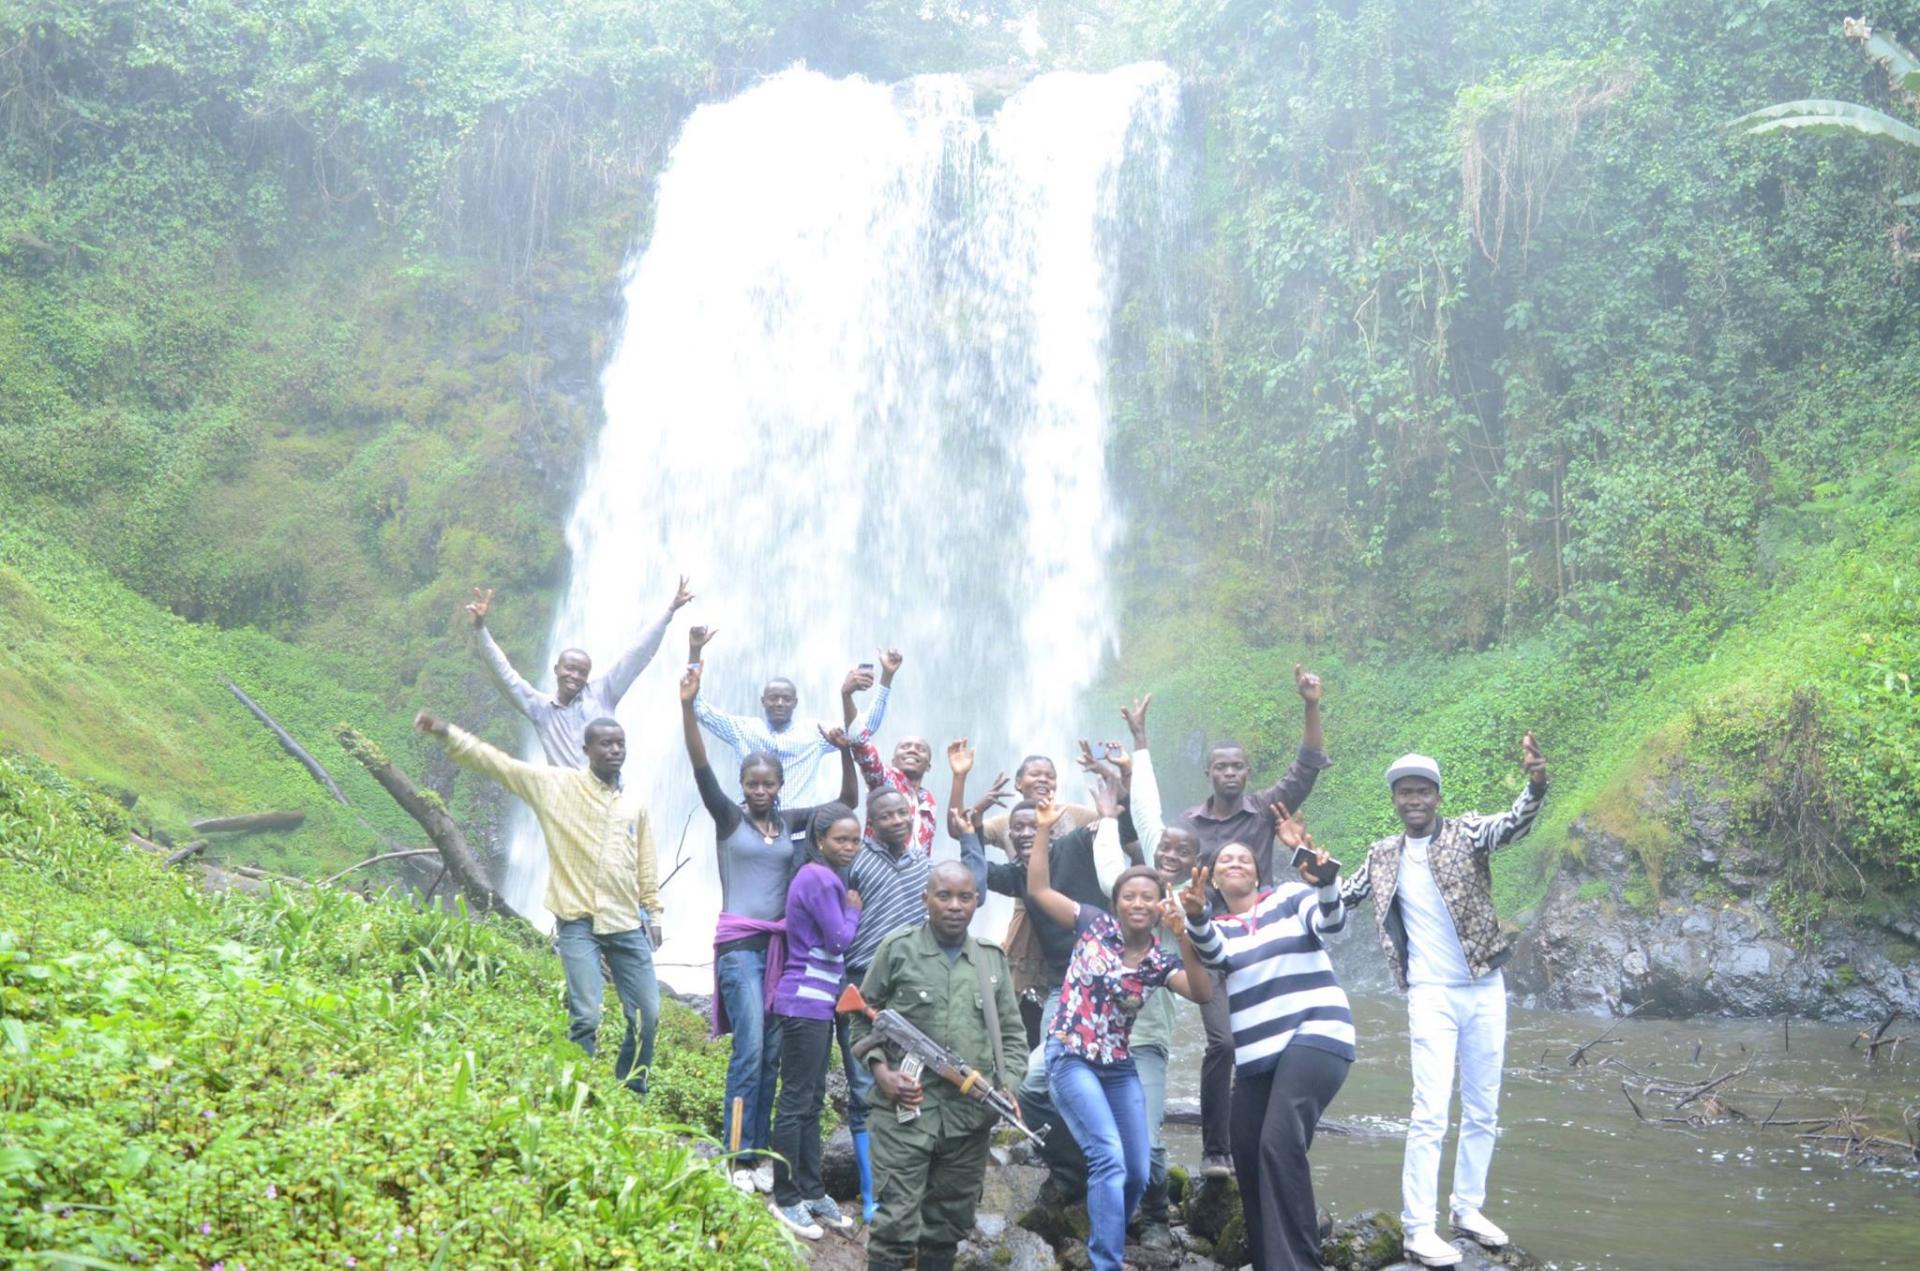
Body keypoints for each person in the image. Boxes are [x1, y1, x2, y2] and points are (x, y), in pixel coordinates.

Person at [1341, 736, 1549, 1268]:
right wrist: (1315, 874)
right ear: (1395, 800)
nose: (1414, 800)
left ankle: (1467, 1208)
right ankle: (1417, 1228)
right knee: (1429, 1110)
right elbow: (1340, 901)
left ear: (1437, 796)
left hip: (1484, 986)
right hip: (1429, 992)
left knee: (1483, 1105)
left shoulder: (1468, 832)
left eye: (1423, 792)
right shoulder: (1382, 855)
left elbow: (1514, 824)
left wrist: (1536, 784)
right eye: (1404, 793)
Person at [414, 709, 661, 1093]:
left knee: (648, 1016)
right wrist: (447, 732)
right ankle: (579, 1094)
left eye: (620, 744)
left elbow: (646, 862)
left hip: (628, 922)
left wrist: (655, 913)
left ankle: (631, 1092)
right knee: (585, 1017)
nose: (615, 750)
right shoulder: (556, 787)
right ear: (586, 749)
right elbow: (502, 766)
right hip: (578, 922)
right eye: (605, 744)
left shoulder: (635, 804)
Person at [680, 663, 856, 1195]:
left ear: (779, 786)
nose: (760, 789)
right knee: (751, 1048)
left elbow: (844, 804)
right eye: (752, 782)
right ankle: (737, 1156)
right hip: (741, 950)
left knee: (774, 1056)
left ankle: (760, 1157)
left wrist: (845, 750)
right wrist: (688, 706)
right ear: (743, 784)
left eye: (768, 783)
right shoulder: (727, 819)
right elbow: (699, 765)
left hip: (782, 952)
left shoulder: (790, 826)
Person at [1026, 793, 1209, 1271]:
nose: (1138, 903)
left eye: (1148, 897)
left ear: (1158, 906)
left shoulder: (1159, 959)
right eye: (1130, 895)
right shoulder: (1092, 926)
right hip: (1071, 1056)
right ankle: (1106, 1260)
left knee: (1139, 1169)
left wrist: (1185, 931)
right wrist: (1044, 828)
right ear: (1116, 902)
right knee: (1107, 1155)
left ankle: (1104, 1224)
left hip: (1118, 1066)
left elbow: (1201, 991)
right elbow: (1040, 891)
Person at [1180, 663, 1331, 1177]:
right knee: (1223, 1041)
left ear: (1247, 773)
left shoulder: (1265, 809)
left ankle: (1269, 1143)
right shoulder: (1188, 825)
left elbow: (1307, 766)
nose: (1230, 773)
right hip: (1210, 943)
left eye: (1238, 767)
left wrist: (1311, 703)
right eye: (1221, 766)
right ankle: (1215, 1149)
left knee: (1273, 1044)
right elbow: (1161, 861)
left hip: (1262, 939)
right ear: (1209, 773)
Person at [1183, 813, 1353, 1271]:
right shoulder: (1219, 925)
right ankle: (1267, 1261)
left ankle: (1299, 1264)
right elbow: (1211, 953)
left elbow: (1331, 923)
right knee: (1248, 1148)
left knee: (1279, 1143)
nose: (1234, 862)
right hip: (1259, 1059)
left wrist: (1325, 884)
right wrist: (1195, 915)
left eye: (1244, 858)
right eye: (1224, 860)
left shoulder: (1288, 897)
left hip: (1316, 1034)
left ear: (1258, 871)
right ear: (1213, 877)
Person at [854, 861, 1026, 1271]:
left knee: (947, 1227)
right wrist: (883, 1073)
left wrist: (1009, 1084)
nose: (954, 906)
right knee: (894, 1224)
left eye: (964, 897)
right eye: (943, 896)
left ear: (977, 902)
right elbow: (860, 1016)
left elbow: (1014, 1035)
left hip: (968, 1118)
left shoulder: (990, 961)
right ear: (925, 899)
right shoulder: (898, 949)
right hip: (903, 1114)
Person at [464, 578, 693, 769]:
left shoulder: (603, 694)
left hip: (608, 798)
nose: (575, 676)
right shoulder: (541, 710)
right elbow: (505, 676)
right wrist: (480, 628)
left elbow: (635, 656)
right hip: (568, 805)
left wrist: (670, 611)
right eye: (570, 669)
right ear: (556, 670)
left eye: (582, 672)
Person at [767, 802, 866, 1240]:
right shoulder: (821, 877)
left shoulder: (818, 876)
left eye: (855, 840)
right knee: (795, 1101)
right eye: (840, 839)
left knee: (810, 1100)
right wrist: (854, 908)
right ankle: (786, 1197)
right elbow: (840, 939)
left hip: (815, 1003)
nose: (849, 847)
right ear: (820, 840)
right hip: (804, 1000)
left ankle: (811, 1189)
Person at [835, 784, 933, 1221]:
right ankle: (873, 1196)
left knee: (912, 1082)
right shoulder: (853, 860)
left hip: (910, 990)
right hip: (860, 984)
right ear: (872, 823)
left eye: (902, 813)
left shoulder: (925, 866)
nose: (897, 820)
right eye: (887, 816)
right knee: (863, 1083)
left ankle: (909, 1188)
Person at [687, 624, 891, 801]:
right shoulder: (743, 728)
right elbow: (699, 709)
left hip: (799, 832)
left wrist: (887, 678)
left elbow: (864, 729)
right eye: (773, 698)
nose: (779, 703)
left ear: (795, 703)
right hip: (753, 827)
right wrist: (695, 651)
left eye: (786, 699)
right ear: (763, 702)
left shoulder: (816, 733)